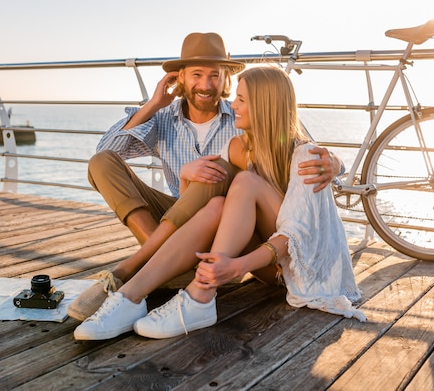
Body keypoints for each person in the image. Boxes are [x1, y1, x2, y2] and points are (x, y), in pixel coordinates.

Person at [74, 66, 365, 341]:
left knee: (242, 181)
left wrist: (237, 267)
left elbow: (298, 233)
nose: (233, 104)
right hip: (236, 245)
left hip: (294, 267)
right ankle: (131, 296)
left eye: (240, 99)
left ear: (264, 106)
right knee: (216, 202)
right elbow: (202, 200)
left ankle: (195, 291)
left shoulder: (302, 155)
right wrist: (187, 173)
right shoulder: (237, 146)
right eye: (197, 74)